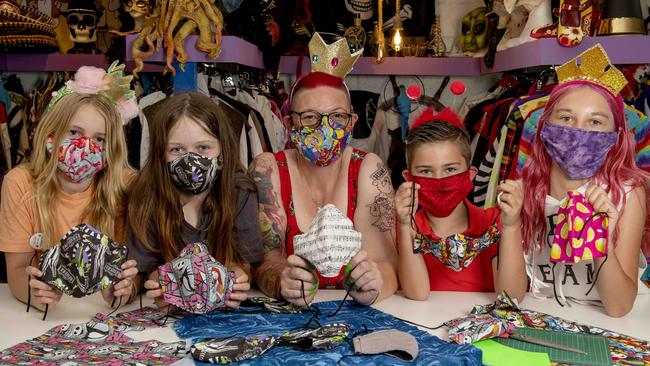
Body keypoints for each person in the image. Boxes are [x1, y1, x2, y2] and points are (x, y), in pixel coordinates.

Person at [250, 34, 398, 307]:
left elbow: (386, 263)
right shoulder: (268, 169)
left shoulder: (368, 169)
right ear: (288, 123)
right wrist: (282, 280)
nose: (324, 129)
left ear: (352, 122)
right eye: (309, 117)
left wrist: (375, 286)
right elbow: (265, 260)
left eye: (337, 117)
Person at [521, 44, 649, 317]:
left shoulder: (627, 195)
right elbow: (511, 293)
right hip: (541, 319)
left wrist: (602, 237)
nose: (578, 130)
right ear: (545, 128)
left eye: (595, 122)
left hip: (612, 326)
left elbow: (619, 307)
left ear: (615, 136)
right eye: (566, 117)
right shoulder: (527, 191)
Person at [0, 63, 139, 310]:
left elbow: (136, 270)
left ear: (113, 148)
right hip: (48, 317)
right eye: (74, 132)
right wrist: (36, 293)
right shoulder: (20, 183)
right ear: (50, 134)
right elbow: (17, 272)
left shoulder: (124, 186)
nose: (87, 146)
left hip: (102, 314)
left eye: (100, 139)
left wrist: (125, 289)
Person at [127, 92, 263, 309]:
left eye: (203, 148)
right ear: (161, 153)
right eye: (177, 149)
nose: (190, 161)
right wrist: (159, 284)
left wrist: (237, 280)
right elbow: (144, 271)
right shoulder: (147, 196)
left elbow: (244, 264)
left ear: (223, 150)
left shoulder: (239, 191)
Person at [394, 107, 527, 302]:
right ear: (409, 179)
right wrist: (405, 225)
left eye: (450, 169)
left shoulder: (492, 222)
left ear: (470, 175)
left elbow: (511, 296)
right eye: (426, 171)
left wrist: (511, 226)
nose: (439, 180)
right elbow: (417, 294)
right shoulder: (407, 227)